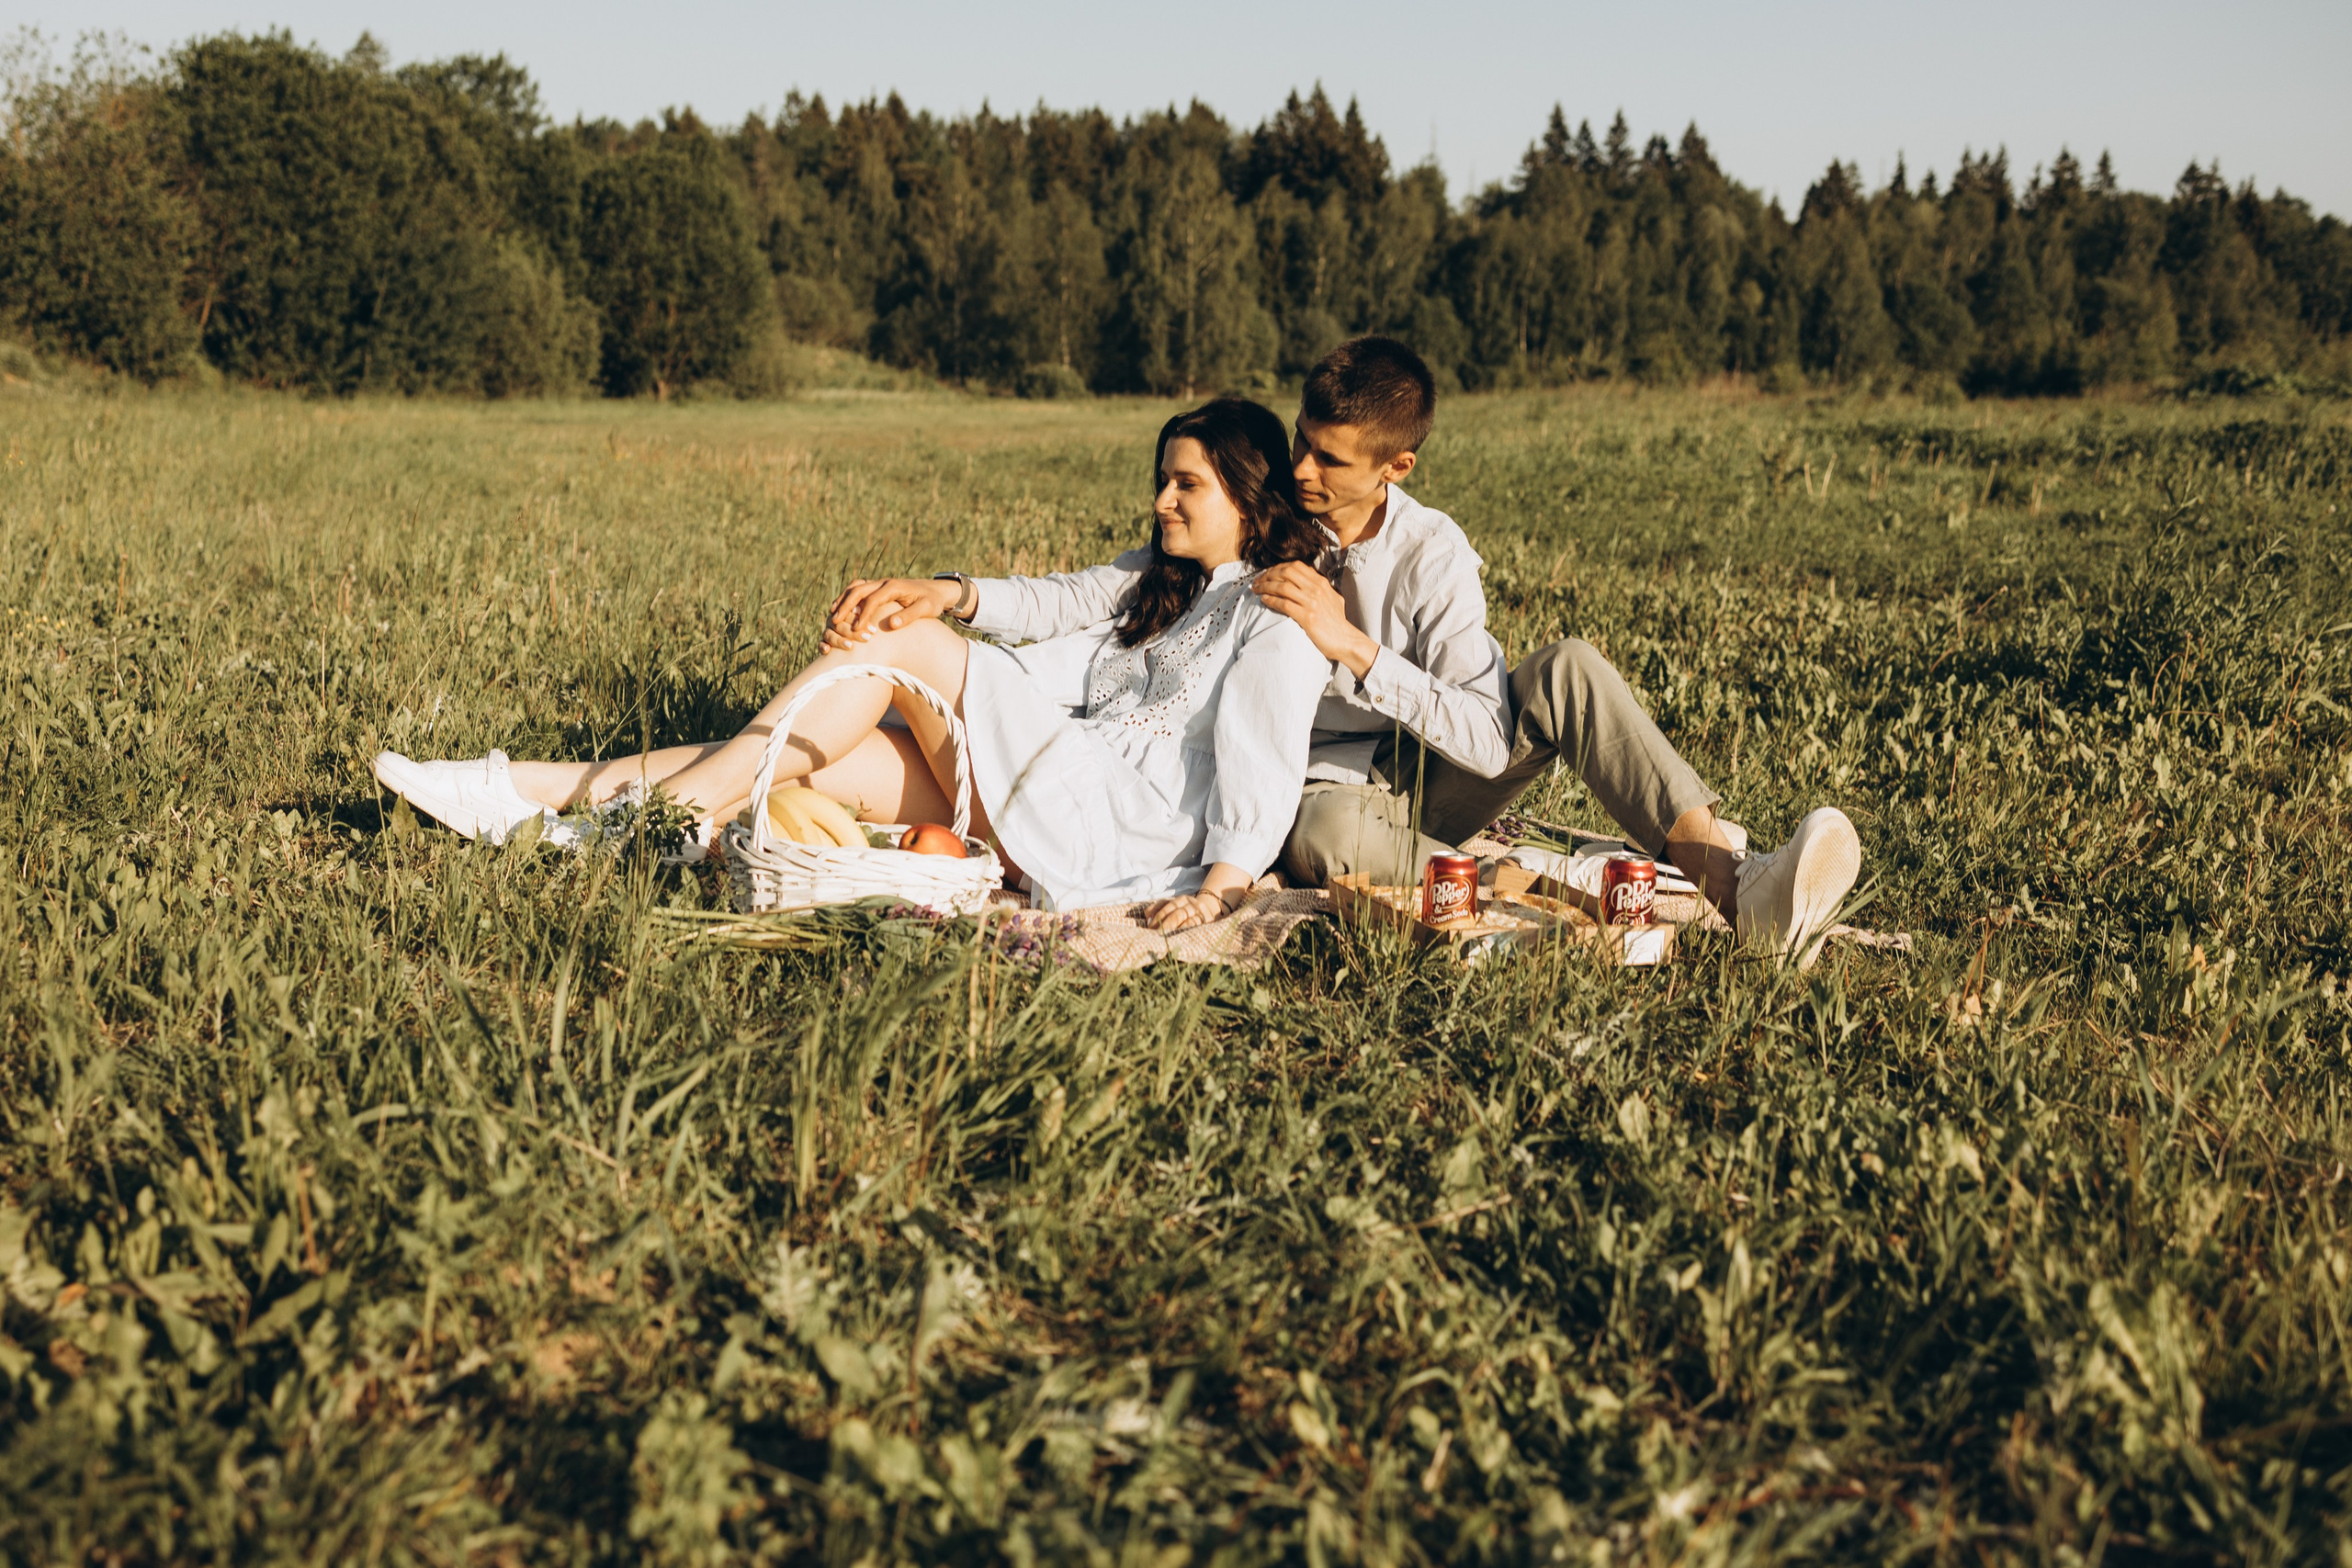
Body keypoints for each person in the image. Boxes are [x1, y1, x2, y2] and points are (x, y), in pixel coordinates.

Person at [828, 337, 1860, 959]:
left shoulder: (1432, 553)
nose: (1302, 471)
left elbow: (1486, 734)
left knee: (1569, 671)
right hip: (1319, 784)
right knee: (1322, 839)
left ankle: (1735, 880)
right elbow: (1106, 585)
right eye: (1301, 442)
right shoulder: (1266, 517)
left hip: (1431, 763)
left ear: (1394, 466)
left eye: (1328, 459)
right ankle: (1535, 895)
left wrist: (1354, 648)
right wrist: (958, 593)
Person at [372, 399, 1332, 931]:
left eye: (1186, 484)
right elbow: (1049, 603)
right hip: (1051, 792)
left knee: (901, 642)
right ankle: (526, 792)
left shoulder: (1276, 610)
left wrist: (1221, 888)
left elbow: (1263, 763)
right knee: (807, 758)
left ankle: (650, 824)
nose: (1162, 499)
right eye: (1161, 479)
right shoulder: (1153, 582)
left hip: (1117, 828)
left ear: (1248, 495)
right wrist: (946, 602)